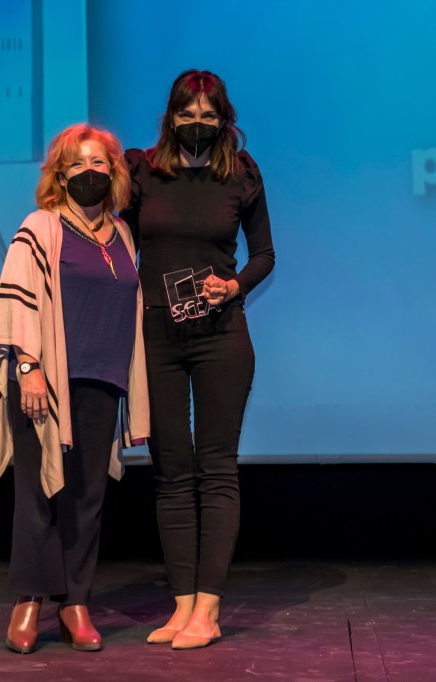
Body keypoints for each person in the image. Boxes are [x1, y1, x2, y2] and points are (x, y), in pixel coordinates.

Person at [121, 69, 275, 650]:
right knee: (170, 471)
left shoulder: (241, 174)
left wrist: (233, 286)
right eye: (187, 114)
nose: (198, 123)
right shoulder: (142, 172)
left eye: (209, 116)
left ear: (224, 120)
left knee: (216, 468)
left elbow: (264, 254)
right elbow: (113, 237)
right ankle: (181, 604)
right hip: (156, 335)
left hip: (220, 334)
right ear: (171, 117)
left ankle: (207, 610)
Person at [0, 123, 149, 654]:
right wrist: (28, 366)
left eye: (98, 162)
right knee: (38, 494)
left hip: (103, 380)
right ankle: (29, 602)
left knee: (86, 498)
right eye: (76, 164)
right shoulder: (41, 226)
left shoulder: (122, 235)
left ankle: (76, 603)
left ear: (114, 171)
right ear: (60, 175)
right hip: (44, 381)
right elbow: (17, 299)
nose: (88, 171)